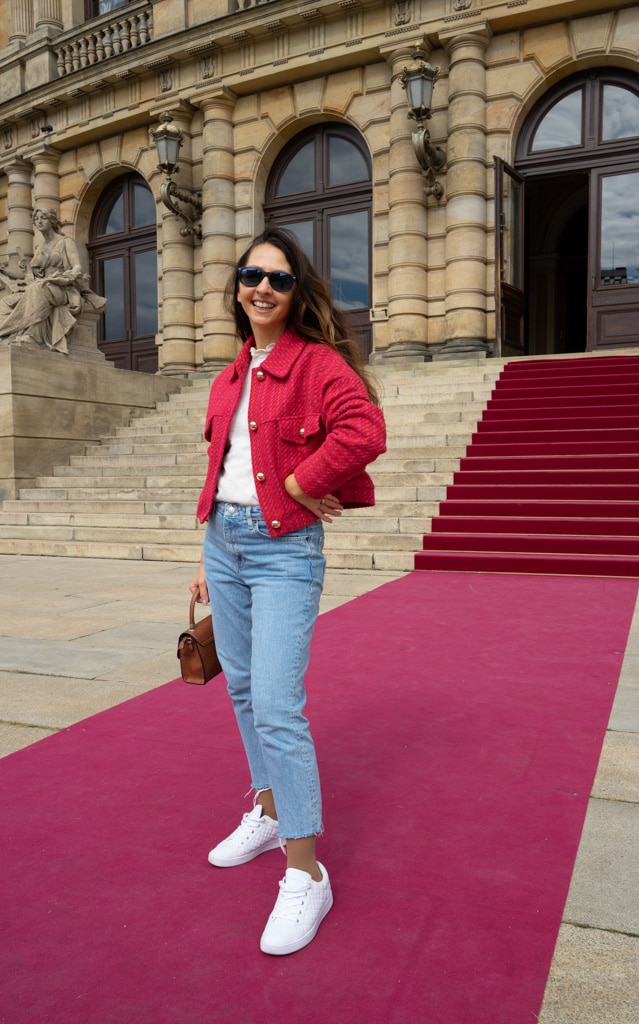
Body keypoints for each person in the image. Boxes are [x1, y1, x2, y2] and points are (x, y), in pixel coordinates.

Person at [190, 227, 386, 956]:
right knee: (240, 690)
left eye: (276, 279)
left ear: (295, 293)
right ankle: (267, 812)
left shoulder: (317, 363)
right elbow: (223, 462)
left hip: (283, 551)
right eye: (250, 276)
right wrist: (205, 548)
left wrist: (305, 484)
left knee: (276, 704)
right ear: (237, 288)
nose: (261, 289)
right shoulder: (229, 374)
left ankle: (305, 872)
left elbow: (365, 430)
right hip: (226, 543)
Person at [0, 207, 104, 353]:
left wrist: (67, 277)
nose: (39, 221)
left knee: (37, 290)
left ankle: (33, 335)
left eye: (43, 218)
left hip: (63, 286)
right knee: (6, 301)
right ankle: (6, 335)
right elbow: (31, 277)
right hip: (43, 284)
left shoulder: (65, 242)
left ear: (52, 221)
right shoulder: (40, 248)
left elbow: (77, 266)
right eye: (36, 219)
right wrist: (6, 271)